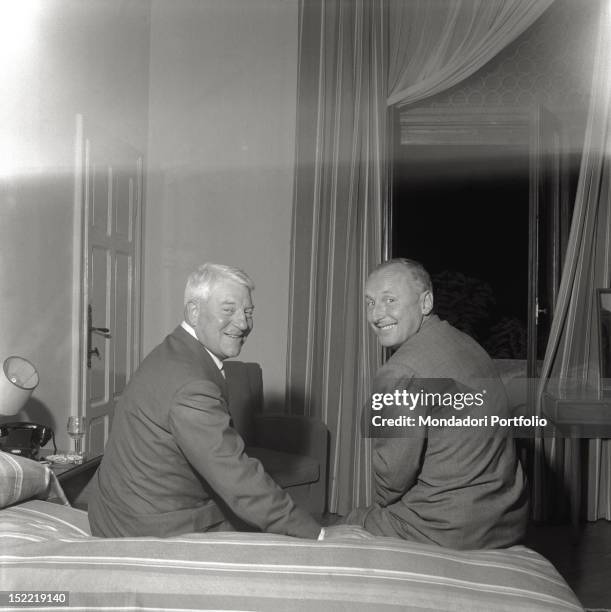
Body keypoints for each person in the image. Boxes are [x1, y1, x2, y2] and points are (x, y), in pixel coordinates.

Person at [88, 263, 321, 539]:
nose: (243, 323)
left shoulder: (176, 349)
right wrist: (318, 535)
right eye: (228, 309)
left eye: (248, 312)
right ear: (194, 312)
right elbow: (235, 477)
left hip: (122, 509)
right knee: (277, 539)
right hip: (147, 528)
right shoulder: (191, 384)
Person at [343, 258, 529, 549]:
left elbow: (391, 481)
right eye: (369, 302)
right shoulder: (469, 345)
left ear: (426, 302)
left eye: (389, 300)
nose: (377, 314)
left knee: (347, 525)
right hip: (505, 518)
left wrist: (377, 513)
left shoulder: (400, 370)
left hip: (450, 528)